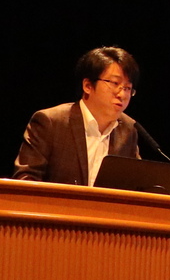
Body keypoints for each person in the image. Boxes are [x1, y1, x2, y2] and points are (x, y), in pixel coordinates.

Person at [13, 46, 142, 184]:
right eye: (115, 83)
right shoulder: (51, 122)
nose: (122, 94)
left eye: (127, 88)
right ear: (87, 86)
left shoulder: (128, 129)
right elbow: (25, 179)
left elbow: (135, 184)